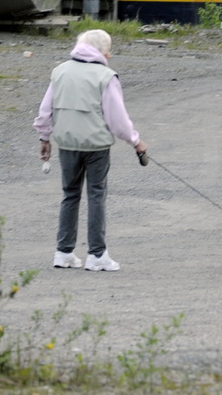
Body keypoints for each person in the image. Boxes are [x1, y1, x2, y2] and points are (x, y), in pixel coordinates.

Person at [34, 28, 146, 272]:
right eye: (109, 51)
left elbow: (46, 110)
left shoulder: (60, 71)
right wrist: (135, 141)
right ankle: (97, 254)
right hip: (96, 145)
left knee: (70, 194)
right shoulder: (106, 76)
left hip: (67, 143)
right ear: (103, 51)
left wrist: (44, 138)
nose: (110, 55)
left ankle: (63, 252)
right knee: (96, 195)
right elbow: (117, 119)